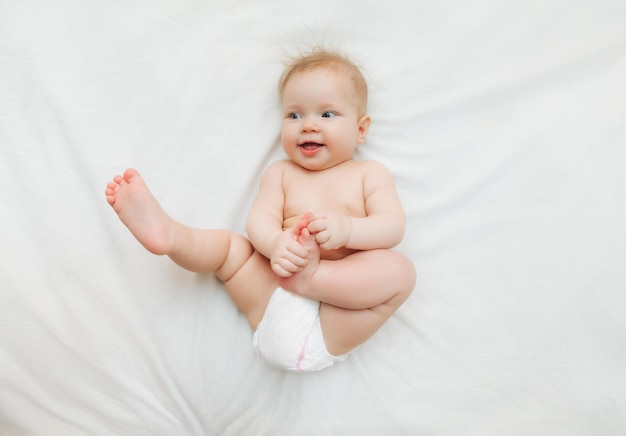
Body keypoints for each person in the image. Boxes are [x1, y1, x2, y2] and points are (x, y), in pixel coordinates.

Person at [105, 49, 416, 372]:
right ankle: (171, 236)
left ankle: (313, 278)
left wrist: (349, 230)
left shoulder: (369, 174)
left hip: (331, 318)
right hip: (274, 293)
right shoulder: (281, 173)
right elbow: (260, 221)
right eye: (294, 115)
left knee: (399, 271)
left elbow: (392, 227)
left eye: (326, 115)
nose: (308, 126)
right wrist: (275, 244)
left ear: (361, 129)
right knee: (230, 250)